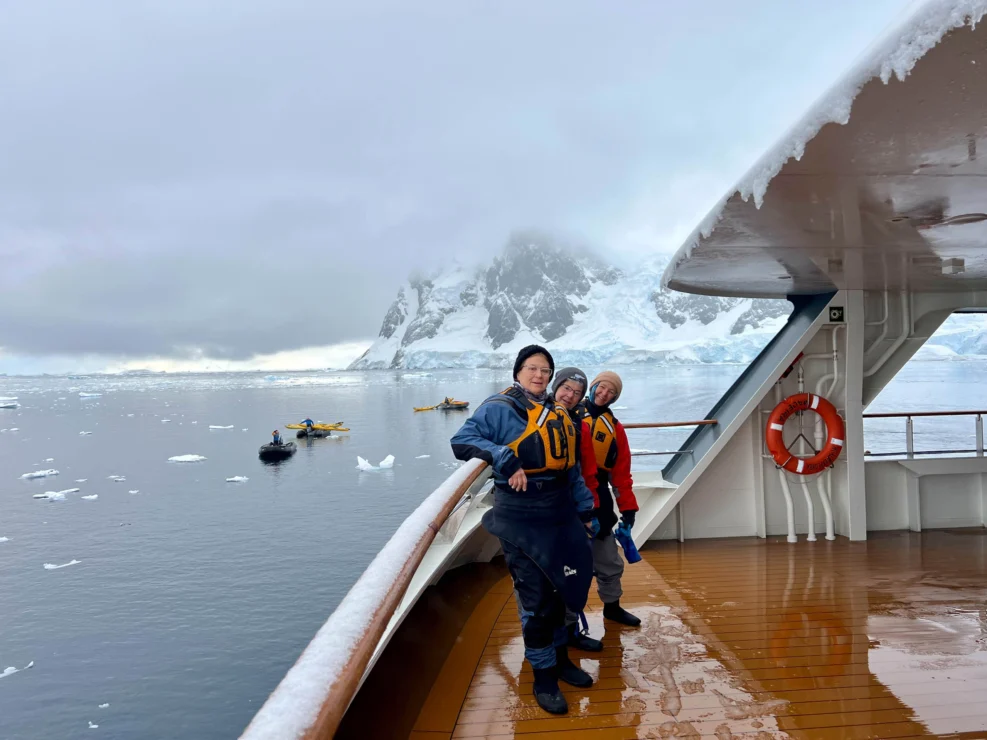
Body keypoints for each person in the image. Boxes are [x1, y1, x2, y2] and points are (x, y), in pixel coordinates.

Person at [451, 345, 599, 716]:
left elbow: (571, 471)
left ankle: (562, 660)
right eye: (532, 368)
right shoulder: (499, 408)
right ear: (518, 372)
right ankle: (544, 676)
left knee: (565, 591)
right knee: (536, 601)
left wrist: (586, 511)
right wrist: (502, 456)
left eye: (545, 370)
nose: (539, 375)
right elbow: (462, 441)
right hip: (520, 517)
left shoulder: (557, 413)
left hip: (560, 513)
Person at [548, 368, 607, 653]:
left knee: (574, 575)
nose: (570, 396)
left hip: (574, 509)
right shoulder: (535, 416)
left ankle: (570, 630)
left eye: (577, 393)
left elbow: (581, 471)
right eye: (566, 388)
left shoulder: (576, 424)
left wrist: (588, 512)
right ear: (555, 385)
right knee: (549, 581)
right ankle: (550, 643)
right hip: (544, 512)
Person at [577, 370, 641, 627]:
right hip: (567, 496)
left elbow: (622, 473)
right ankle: (569, 620)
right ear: (592, 387)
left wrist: (628, 508)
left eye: (611, 392)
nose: (604, 394)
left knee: (609, 560)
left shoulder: (615, 429)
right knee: (570, 563)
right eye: (601, 388)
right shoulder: (565, 415)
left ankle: (612, 607)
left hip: (599, 497)